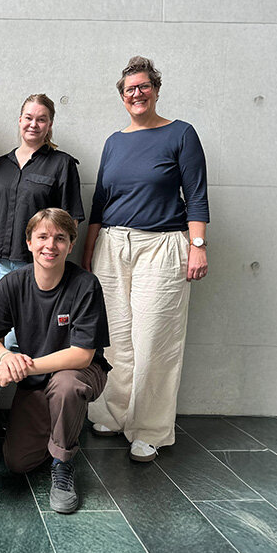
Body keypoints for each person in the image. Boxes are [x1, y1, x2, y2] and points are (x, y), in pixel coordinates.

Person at [80, 55, 209, 463]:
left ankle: (149, 428)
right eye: (129, 89)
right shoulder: (114, 142)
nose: (136, 93)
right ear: (122, 97)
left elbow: (197, 194)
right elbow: (101, 201)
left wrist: (198, 245)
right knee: (114, 338)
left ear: (155, 89)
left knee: (154, 340)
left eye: (143, 86)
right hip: (113, 246)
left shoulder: (181, 134)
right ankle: (112, 414)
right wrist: (89, 251)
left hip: (164, 246)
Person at [0, 208, 110, 514]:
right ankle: (60, 427)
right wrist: (6, 358)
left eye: (60, 238)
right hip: (39, 378)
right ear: (28, 242)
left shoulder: (85, 285)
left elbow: (82, 355)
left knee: (66, 384)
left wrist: (22, 367)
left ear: (71, 244)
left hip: (82, 373)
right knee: (18, 462)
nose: (50, 245)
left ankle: (63, 463)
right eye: (42, 236)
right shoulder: (12, 284)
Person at [0, 93, 84, 348]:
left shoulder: (62, 165)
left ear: (49, 125)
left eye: (41, 119)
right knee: (5, 337)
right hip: (2, 266)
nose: (33, 124)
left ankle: (35, 387)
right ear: (19, 120)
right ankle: (10, 386)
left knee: (34, 336)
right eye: (28, 118)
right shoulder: (0, 166)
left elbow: (71, 220)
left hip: (40, 265)